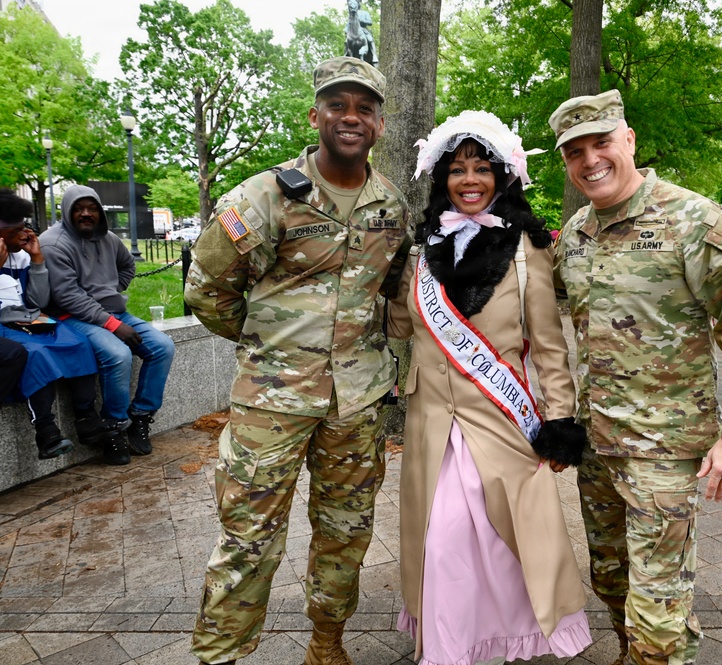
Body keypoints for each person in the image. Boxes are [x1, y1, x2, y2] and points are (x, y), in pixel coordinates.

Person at [548, 89, 722, 665]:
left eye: (601, 143)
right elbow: (535, 312)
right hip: (598, 446)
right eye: (574, 151)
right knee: (610, 579)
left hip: (665, 450)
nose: (590, 161)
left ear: (628, 140)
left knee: (657, 604)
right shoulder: (577, 234)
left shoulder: (696, 221)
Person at [184, 56, 411, 665]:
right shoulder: (263, 196)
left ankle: (326, 644)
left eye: (365, 108)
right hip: (271, 407)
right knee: (248, 540)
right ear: (315, 116)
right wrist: (270, 351)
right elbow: (207, 290)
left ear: (380, 125)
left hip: (356, 406)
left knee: (345, 534)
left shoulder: (390, 205)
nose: (351, 117)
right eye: (338, 105)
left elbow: (393, 294)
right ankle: (221, 655)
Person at [388, 111, 592, 665]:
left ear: (502, 176)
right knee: (442, 539)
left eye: (482, 168)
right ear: (442, 179)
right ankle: (451, 648)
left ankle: (499, 640)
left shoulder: (528, 251)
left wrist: (559, 420)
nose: (470, 179)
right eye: (458, 169)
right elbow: (400, 328)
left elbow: (549, 346)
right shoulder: (420, 250)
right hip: (431, 423)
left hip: (501, 422)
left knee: (498, 542)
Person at [39, 185, 176, 464]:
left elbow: (128, 266)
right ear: (67, 211)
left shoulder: (110, 238)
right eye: (78, 208)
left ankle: (140, 416)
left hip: (112, 312)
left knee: (163, 346)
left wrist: (113, 289)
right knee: (117, 355)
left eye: (92, 208)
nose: (86, 213)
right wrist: (112, 324)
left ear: (100, 211)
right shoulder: (52, 243)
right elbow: (67, 296)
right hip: (71, 316)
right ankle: (114, 427)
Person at [0, 190, 105, 459]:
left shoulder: (21, 255)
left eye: (25, 228)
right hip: (3, 326)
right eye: (17, 231)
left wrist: (36, 261)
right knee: (36, 354)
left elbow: (38, 301)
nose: (24, 235)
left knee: (78, 342)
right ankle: (46, 433)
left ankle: (86, 418)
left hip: (28, 317)